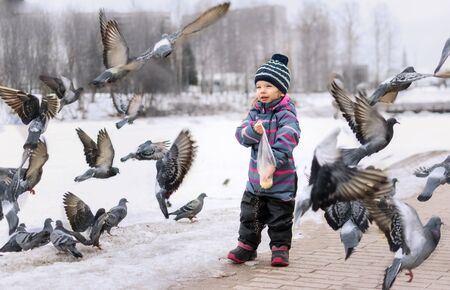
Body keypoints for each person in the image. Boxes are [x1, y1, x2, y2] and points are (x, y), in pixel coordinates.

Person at [228, 53, 301, 267]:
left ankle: (280, 249)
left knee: (280, 217)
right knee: (251, 214)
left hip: (281, 181)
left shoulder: (286, 114)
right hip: (255, 181)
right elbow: (241, 136)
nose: (262, 91)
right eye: (259, 86)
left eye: (268, 86)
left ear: (280, 90)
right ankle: (246, 246)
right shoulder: (254, 113)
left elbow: (289, 137)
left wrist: (271, 164)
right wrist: (253, 130)